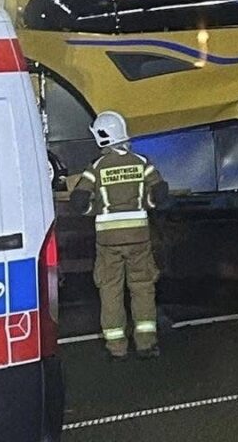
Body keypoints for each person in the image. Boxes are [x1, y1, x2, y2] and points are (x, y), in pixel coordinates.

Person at [70, 110, 167, 360]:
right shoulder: (141, 162)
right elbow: (159, 195)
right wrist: (146, 205)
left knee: (110, 290)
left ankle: (117, 348)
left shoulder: (97, 167)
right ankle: (146, 344)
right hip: (139, 237)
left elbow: (79, 201)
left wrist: (97, 210)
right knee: (142, 288)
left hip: (108, 241)